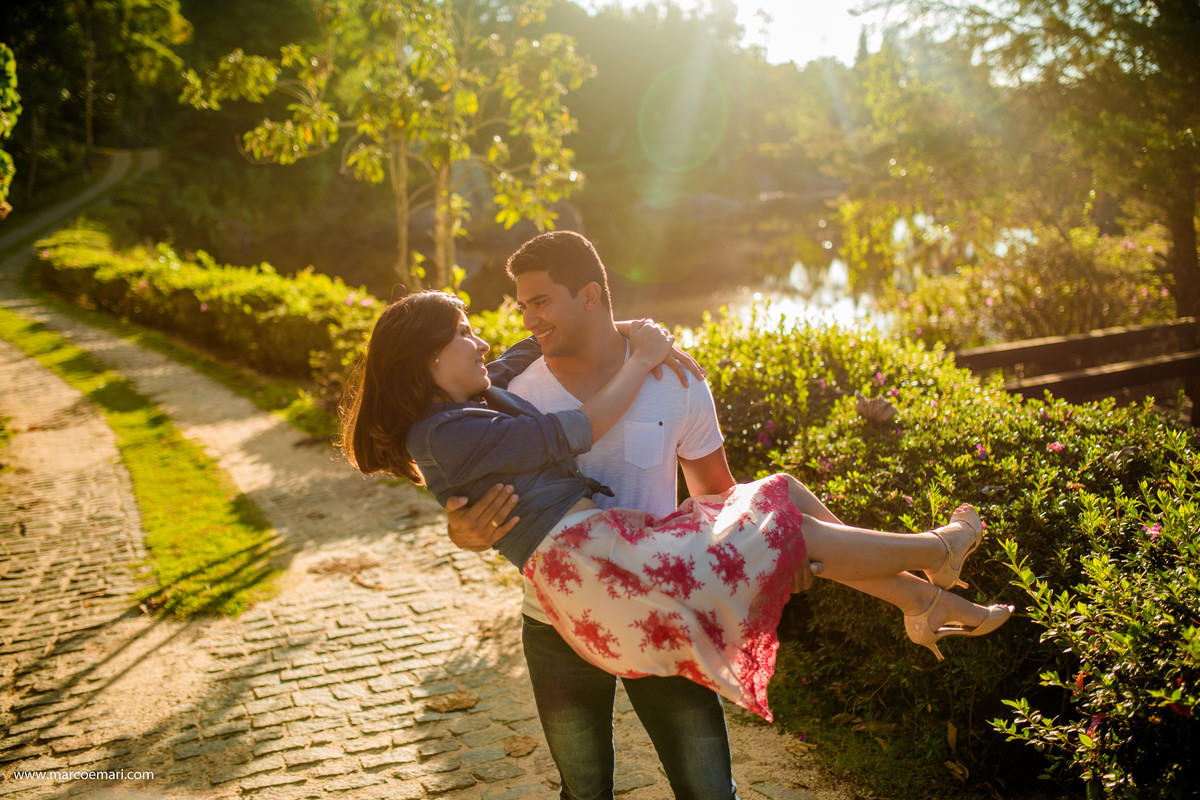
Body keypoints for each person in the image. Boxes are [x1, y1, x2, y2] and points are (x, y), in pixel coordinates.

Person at [337, 289, 1013, 722]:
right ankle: (939, 551)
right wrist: (638, 363)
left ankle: (920, 603)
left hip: (601, 548)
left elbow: (519, 356)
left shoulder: (460, 406)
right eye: (464, 334)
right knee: (785, 531)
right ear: (427, 359)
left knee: (781, 495)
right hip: (595, 572)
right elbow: (560, 434)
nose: (481, 341)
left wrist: (625, 328)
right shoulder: (443, 431)